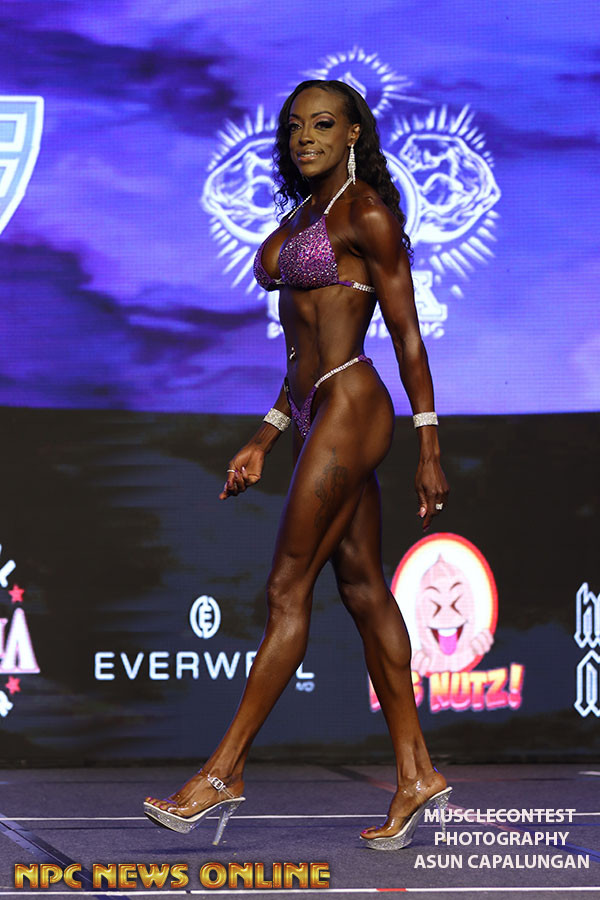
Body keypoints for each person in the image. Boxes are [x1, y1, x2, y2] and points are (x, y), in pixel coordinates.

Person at [144, 79, 452, 850]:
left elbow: (407, 335)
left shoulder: (367, 213)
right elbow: (300, 356)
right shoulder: (304, 217)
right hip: (315, 406)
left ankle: (223, 770)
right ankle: (416, 772)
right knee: (362, 588)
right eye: (294, 126)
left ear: (353, 134)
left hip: (354, 403)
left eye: (321, 124)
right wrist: (265, 437)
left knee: (288, 589)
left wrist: (429, 443)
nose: (305, 137)